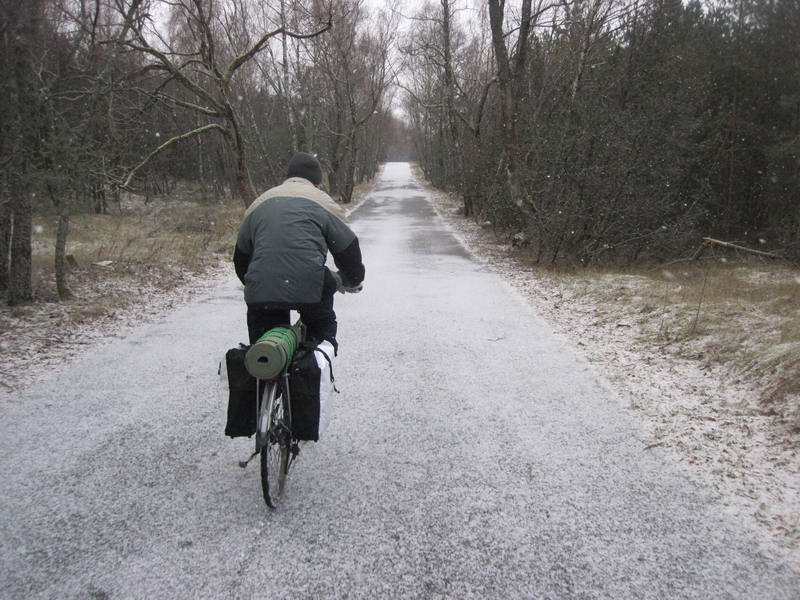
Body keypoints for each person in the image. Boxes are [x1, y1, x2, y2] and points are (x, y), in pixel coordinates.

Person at [233, 152, 365, 352]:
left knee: (265, 353)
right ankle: (316, 360)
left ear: (288, 176)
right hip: (311, 285)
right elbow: (347, 247)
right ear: (317, 182)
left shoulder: (259, 203)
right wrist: (353, 278)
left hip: (262, 287)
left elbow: (241, 258)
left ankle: (263, 378)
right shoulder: (323, 201)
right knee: (320, 339)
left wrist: (259, 283)